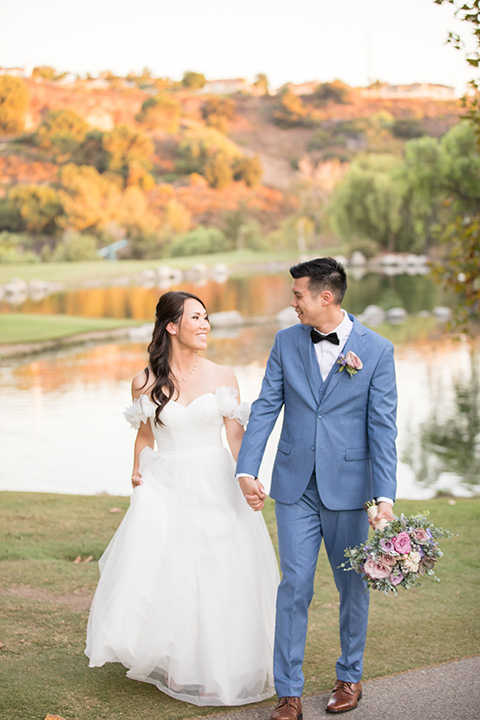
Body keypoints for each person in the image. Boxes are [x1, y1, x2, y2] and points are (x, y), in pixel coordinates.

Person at [85, 290, 279, 707]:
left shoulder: (222, 375)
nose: (206, 325)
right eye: (196, 317)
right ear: (172, 326)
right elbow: (145, 432)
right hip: (165, 481)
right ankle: (178, 659)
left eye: (207, 317)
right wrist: (137, 469)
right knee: (166, 567)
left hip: (213, 479)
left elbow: (233, 434)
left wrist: (247, 477)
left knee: (216, 566)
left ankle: (219, 663)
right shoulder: (144, 380)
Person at [236, 258, 398, 719]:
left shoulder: (378, 350)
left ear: (325, 297)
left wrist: (383, 498)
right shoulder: (286, 342)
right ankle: (288, 691)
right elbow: (266, 406)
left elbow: (383, 430)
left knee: (353, 589)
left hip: (351, 490)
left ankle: (350, 677)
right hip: (294, 487)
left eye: (298, 295)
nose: (293, 304)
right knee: (294, 587)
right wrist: (247, 468)